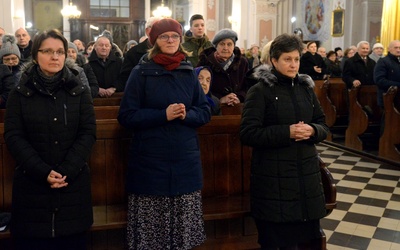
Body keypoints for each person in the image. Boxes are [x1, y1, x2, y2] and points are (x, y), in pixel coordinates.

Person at [117, 18, 211, 249]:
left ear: (180, 40)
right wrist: (163, 115)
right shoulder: (141, 72)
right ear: (154, 41)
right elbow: (127, 116)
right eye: (164, 36)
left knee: (183, 236)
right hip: (150, 161)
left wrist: (186, 115)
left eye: (174, 36)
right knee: (151, 237)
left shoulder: (188, 72)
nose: (170, 40)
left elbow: (205, 111)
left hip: (184, 160)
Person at [3, 29, 96, 250]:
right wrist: (43, 172)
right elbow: (14, 136)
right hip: (32, 186)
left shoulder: (79, 90)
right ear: (35, 55)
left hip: (72, 185)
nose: (55, 57)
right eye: (48, 51)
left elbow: (88, 132)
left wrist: (67, 170)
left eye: (60, 52)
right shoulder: (20, 92)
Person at [240, 33, 329, 249]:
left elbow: (323, 125)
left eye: (296, 59)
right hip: (274, 181)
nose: (293, 64)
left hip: (305, 179)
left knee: (305, 242)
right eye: (287, 59)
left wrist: (312, 130)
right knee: (278, 243)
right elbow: (248, 133)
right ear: (274, 61)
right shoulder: (260, 91)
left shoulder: (306, 88)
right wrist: (286, 132)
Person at [197, 28, 249, 105]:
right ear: (216, 46)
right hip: (212, 108)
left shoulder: (242, 62)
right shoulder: (205, 62)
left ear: (234, 46)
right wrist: (219, 99)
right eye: (222, 44)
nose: (225, 48)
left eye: (229, 44)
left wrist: (238, 97)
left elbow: (247, 86)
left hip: (238, 108)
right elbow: (200, 88)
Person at [118, 16, 161, 91]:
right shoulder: (133, 53)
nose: (160, 32)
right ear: (148, 31)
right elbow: (126, 78)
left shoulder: (168, 51)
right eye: (157, 28)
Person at [374, 40, 400, 109]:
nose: (398, 50)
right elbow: (379, 80)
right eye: (396, 48)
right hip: (388, 99)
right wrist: (398, 84)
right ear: (389, 49)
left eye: (399, 48)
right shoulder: (383, 61)